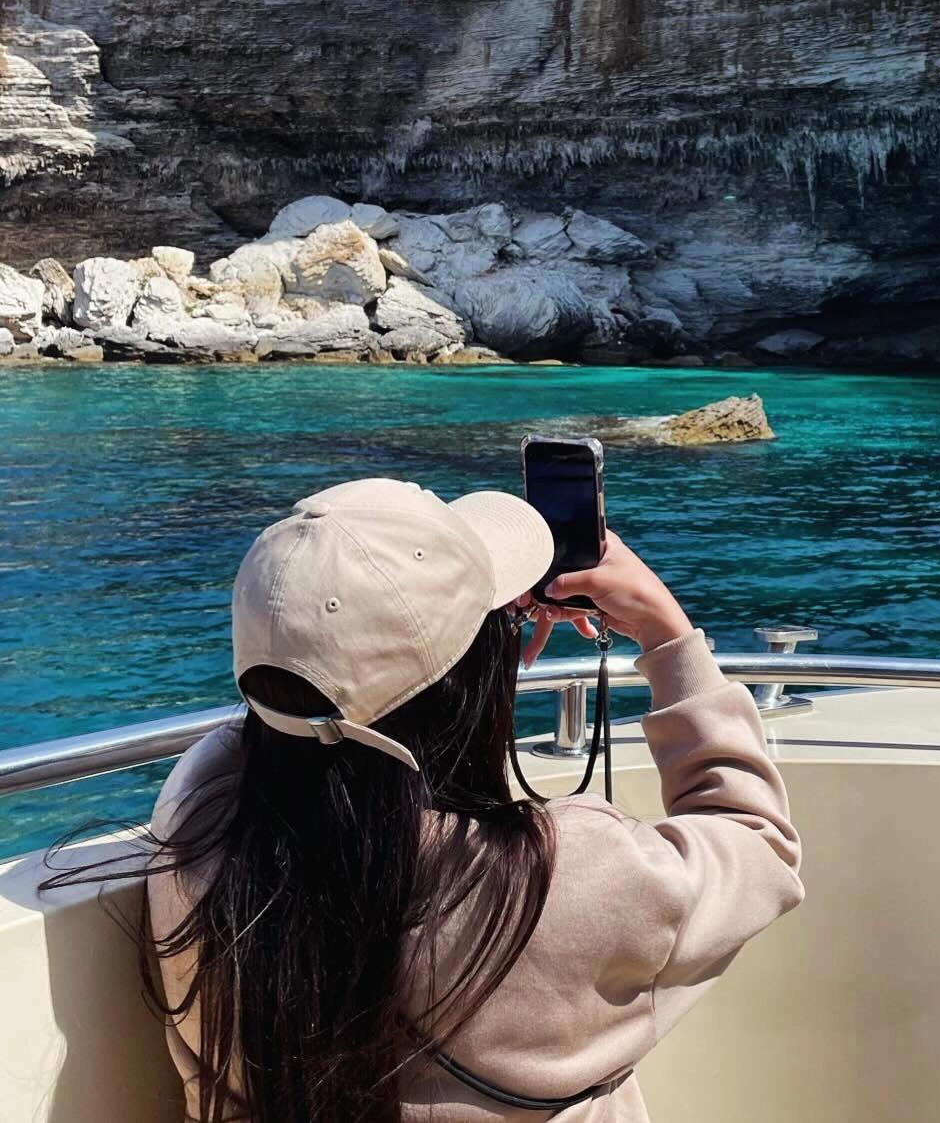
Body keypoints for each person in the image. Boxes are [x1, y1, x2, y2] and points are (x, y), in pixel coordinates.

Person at [58, 477, 802, 1122]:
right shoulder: (564, 873)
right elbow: (754, 840)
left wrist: (375, 648)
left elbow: (280, 732)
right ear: (474, 681)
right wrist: (665, 632)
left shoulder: (198, 819)